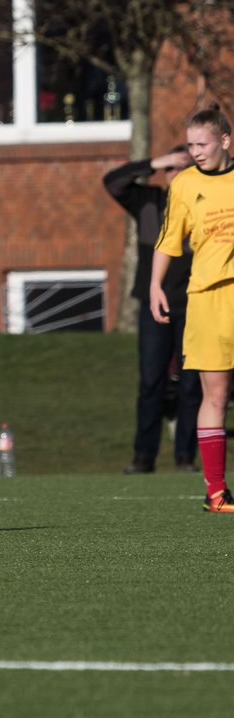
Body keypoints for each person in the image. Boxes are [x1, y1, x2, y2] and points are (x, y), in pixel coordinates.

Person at [152, 104, 234, 512]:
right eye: (190, 145)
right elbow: (168, 240)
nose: (196, 151)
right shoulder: (183, 185)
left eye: (202, 143)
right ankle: (216, 492)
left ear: (225, 140)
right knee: (214, 394)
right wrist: (155, 286)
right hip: (206, 299)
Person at [104, 149, 201, 473]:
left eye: (183, 168)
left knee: (191, 385)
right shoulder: (148, 201)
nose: (177, 174)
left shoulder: (204, 203)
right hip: (154, 306)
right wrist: (155, 163)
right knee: (151, 382)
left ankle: (185, 458)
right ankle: (143, 457)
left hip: (195, 305)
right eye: (171, 169)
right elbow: (113, 181)